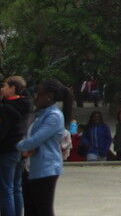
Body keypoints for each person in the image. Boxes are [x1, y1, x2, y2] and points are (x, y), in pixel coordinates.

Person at [17, 79, 73, 216]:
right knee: (30, 210)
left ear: (49, 97)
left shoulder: (54, 116)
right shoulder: (39, 113)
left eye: (38, 94)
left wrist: (17, 146)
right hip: (30, 167)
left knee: (43, 210)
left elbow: (34, 141)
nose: (35, 97)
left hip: (46, 169)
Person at [0, 75, 30, 216]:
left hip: (7, 149)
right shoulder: (25, 104)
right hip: (20, 148)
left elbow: (3, 131)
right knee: (16, 187)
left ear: (12, 88)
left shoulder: (6, 108)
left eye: (5, 86)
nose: (3, 89)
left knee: (6, 189)